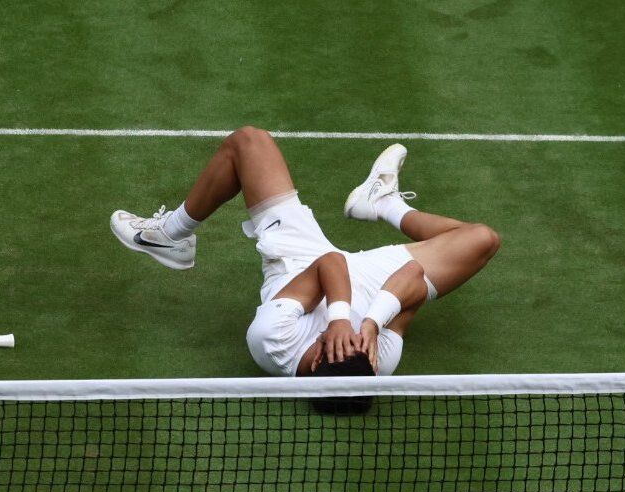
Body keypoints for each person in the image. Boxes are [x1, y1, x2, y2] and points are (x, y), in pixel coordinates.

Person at [110, 126, 500, 378]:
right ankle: (380, 203)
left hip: (300, 263)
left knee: (248, 142)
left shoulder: (271, 341)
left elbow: (328, 264)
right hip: (374, 286)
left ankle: (170, 235)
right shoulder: (378, 361)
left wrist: (340, 320)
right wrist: (370, 325)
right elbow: (412, 278)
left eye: (332, 346)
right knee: (482, 239)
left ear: (315, 361)